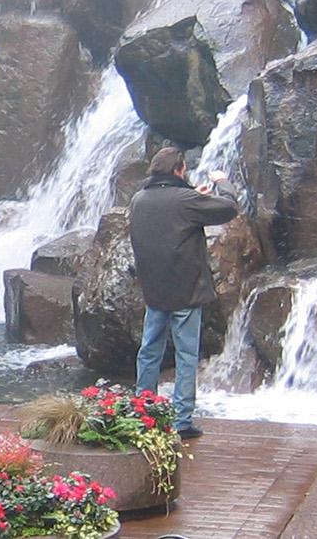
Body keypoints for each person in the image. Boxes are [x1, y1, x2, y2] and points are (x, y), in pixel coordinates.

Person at [127, 147, 238, 440]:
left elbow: (167, 216)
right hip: (186, 290)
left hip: (153, 288)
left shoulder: (139, 200)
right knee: (186, 355)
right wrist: (222, 183)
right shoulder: (186, 201)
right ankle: (181, 420)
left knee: (150, 351)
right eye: (185, 169)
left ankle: (143, 410)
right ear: (178, 170)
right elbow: (228, 208)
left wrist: (194, 195)